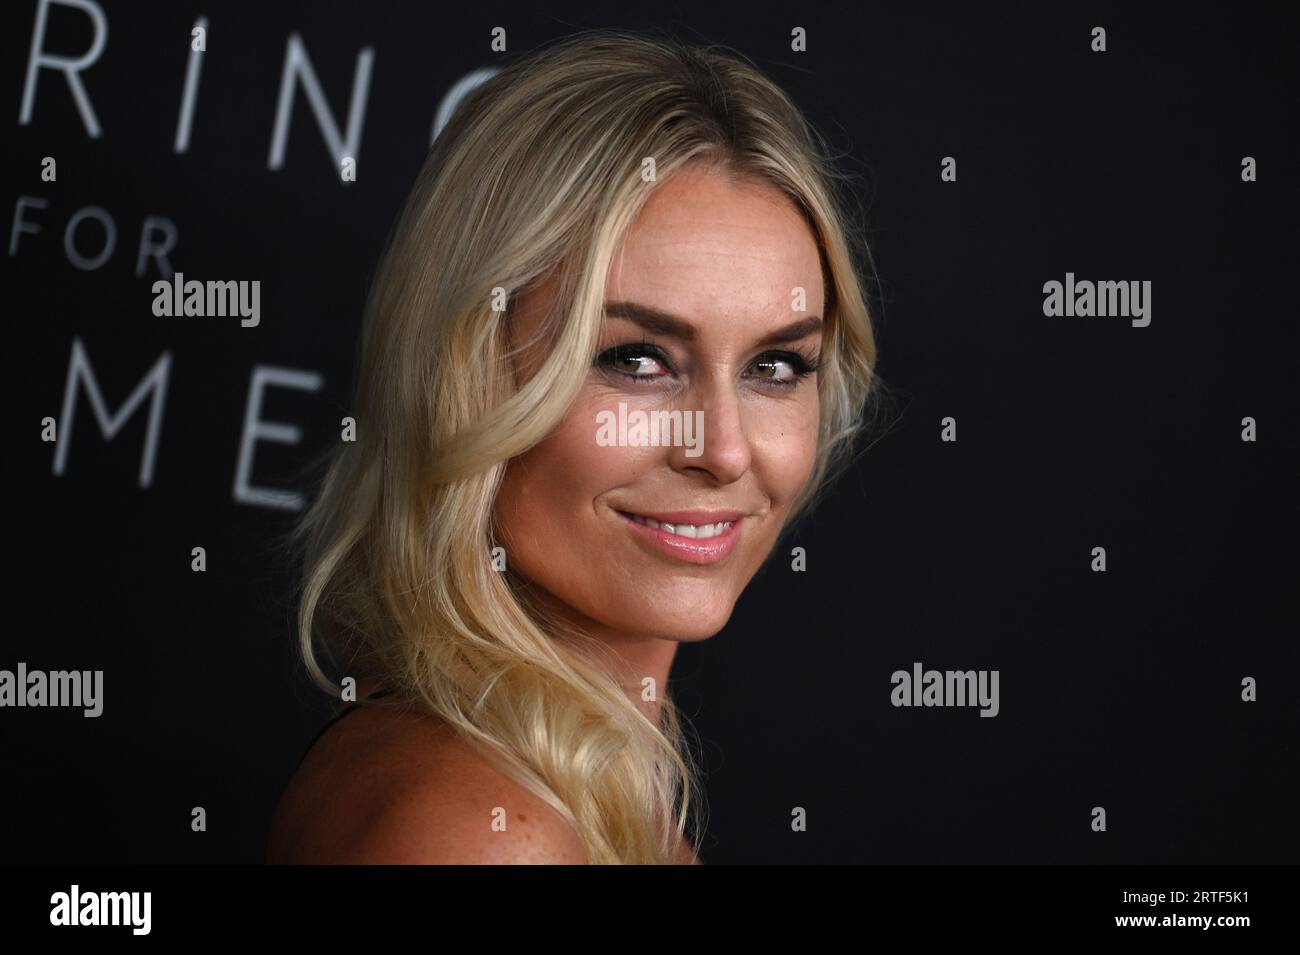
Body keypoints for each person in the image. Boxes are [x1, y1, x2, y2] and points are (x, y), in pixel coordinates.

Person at [266, 27, 881, 865]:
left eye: (776, 365)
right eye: (637, 359)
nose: (725, 451)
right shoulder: (480, 828)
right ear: (469, 377)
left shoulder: (558, 789)